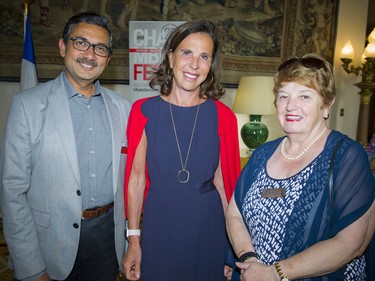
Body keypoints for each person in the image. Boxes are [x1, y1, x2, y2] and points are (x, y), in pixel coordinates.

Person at [1, 12, 131, 281]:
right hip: (48, 243)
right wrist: (32, 268)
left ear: (108, 58)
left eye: (100, 48)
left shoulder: (122, 109)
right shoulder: (28, 105)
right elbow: (12, 191)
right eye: (81, 42)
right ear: (63, 46)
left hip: (106, 241)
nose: (89, 54)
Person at [226, 54, 375, 281]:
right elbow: (234, 215)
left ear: (326, 103)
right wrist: (249, 261)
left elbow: (352, 242)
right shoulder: (262, 154)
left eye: (304, 96)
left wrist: (274, 274)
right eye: (283, 96)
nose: (290, 106)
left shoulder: (347, 156)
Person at [122, 20, 241, 281]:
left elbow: (224, 186)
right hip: (159, 225)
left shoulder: (223, 116)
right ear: (171, 55)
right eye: (187, 52)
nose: (194, 64)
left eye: (204, 56)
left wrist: (231, 249)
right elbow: (136, 180)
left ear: (211, 66)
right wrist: (133, 240)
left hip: (207, 227)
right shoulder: (143, 111)